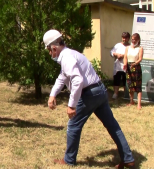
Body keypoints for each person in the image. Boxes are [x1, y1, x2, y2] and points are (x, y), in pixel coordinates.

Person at [43, 29, 135, 168]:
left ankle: (69, 160)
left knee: (73, 126)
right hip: (100, 91)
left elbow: (77, 80)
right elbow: (62, 76)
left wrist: (72, 105)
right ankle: (128, 158)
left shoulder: (67, 57)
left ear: (54, 48)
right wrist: (52, 94)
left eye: (49, 50)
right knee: (112, 125)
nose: (50, 54)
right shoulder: (71, 54)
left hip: (89, 94)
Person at [123, 33, 143, 110]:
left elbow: (140, 58)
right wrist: (125, 64)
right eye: (132, 39)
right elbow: (125, 57)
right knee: (130, 85)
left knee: (137, 86)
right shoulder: (127, 48)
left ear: (138, 40)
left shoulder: (140, 48)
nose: (133, 41)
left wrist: (134, 64)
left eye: (134, 39)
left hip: (136, 67)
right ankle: (131, 101)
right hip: (129, 67)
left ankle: (139, 104)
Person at [110, 32, 131, 99]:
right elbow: (111, 52)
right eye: (123, 38)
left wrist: (123, 56)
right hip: (118, 66)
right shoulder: (118, 45)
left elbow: (131, 55)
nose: (124, 39)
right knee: (116, 80)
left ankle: (126, 94)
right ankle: (116, 93)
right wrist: (116, 54)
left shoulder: (130, 46)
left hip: (126, 66)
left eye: (125, 38)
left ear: (128, 38)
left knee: (126, 80)